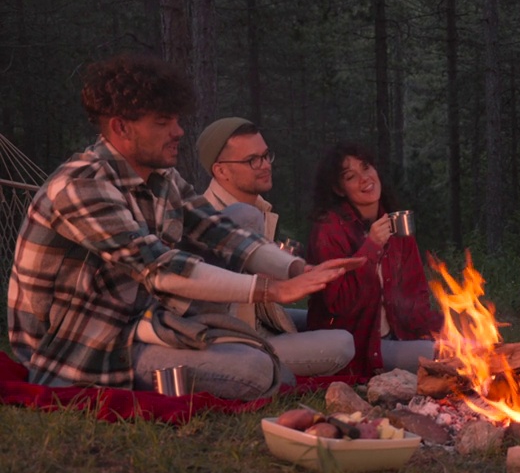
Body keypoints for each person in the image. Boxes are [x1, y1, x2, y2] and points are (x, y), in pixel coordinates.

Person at [6, 54, 361, 399]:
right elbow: (160, 268)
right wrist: (271, 291)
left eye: (176, 119)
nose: (178, 131)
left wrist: (299, 269)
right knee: (256, 370)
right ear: (120, 126)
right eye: (162, 122)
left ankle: (236, 349)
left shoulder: (162, 177)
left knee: (242, 220)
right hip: (87, 346)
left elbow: (220, 231)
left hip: (149, 317)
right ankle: (246, 355)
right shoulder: (81, 184)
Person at [196, 117, 355, 377]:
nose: (265, 166)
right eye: (252, 160)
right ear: (221, 171)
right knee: (342, 344)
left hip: (261, 317)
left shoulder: (257, 208)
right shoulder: (211, 219)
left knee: (336, 319)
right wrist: (268, 282)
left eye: (266, 155)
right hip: (235, 342)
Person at [305, 143, 443, 377]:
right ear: (340, 189)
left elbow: (416, 295)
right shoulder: (329, 231)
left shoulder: (396, 224)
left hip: (396, 336)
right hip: (359, 347)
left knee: (463, 346)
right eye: (351, 176)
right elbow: (339, 304)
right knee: (447, 358)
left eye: (366, 167)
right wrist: (371, 247)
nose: (364, 178)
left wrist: (445, 328)